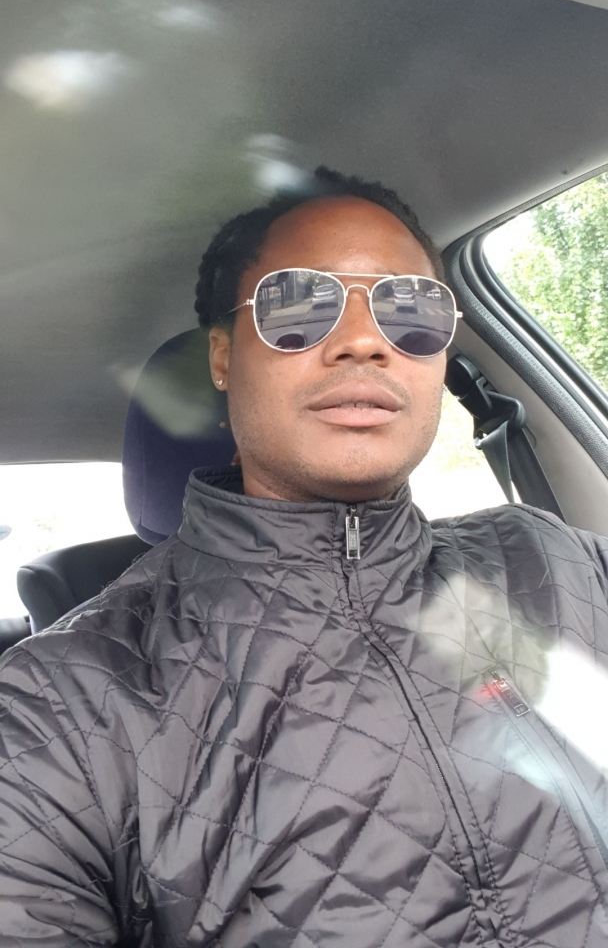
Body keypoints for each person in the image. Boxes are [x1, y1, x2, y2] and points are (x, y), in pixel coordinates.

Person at [1, 166, 608, 946]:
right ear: (223, 357)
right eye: (299, 304)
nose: (364, 340)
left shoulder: (557, 561)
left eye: (411, 308)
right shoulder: (60, 705)